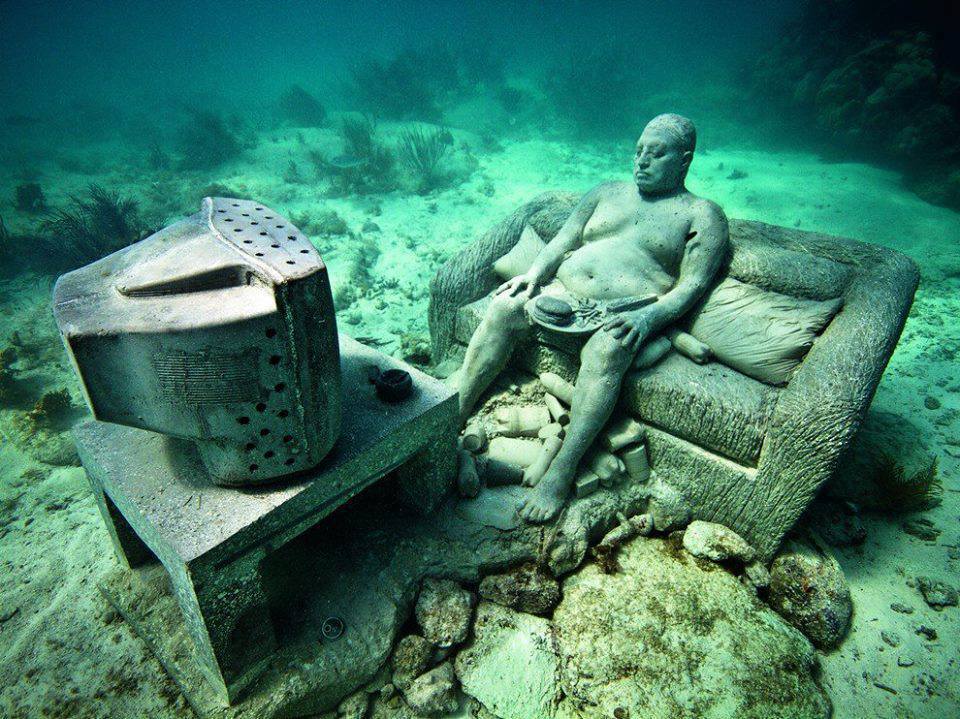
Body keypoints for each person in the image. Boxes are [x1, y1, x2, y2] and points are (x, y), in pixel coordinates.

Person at [456, 114, 729, 523]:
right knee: (503, 307)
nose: (643, 162)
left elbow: (692, 286)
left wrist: (649, 319)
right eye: (639, 151)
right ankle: (452, 414)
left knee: (605, 351)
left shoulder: (702, 214)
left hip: (626, 313)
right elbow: (562, 241)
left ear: (685, 160)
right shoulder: (605, 192)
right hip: (561, 296)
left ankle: (561, 471)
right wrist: (531, 276)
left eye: (657, 154)